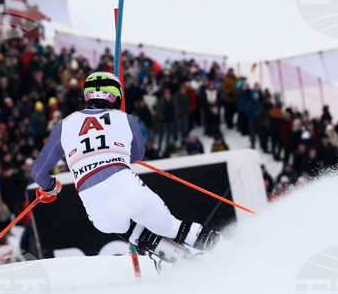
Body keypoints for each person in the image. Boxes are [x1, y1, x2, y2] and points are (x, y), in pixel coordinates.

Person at [30, 71, 221, 272]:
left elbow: (38, 173)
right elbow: (137, 154)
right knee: (172, 227)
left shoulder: (63, 125)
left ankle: (181, 262)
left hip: (96, 208)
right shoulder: (126, 118)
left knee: (129, 229)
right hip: (126, 187)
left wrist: (50, 186)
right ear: (115, 95)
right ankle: (225, 248)